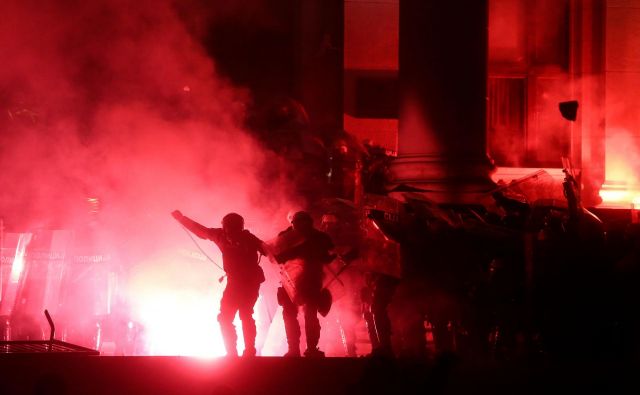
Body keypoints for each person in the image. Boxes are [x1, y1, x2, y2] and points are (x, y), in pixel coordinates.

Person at [171, 210, 266, 357]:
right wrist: (182, 219)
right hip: (237, 281)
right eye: (229, 227)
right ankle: (236, 352)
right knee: (230, 317)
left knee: (242, 314)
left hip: (249, 281)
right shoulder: (222, 235)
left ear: (239, 227)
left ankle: (246, 352)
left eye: (233, 228)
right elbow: (200, 230)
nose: (230, 231)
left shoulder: (245, 238)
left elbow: (268, 250)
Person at [274, 211, 335, 357]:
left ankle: (304, 349)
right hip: (294, 280)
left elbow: (327, 257)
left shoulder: (318, 238)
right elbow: (277, 256)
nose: (301, 226)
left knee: (306, 315)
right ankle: (299, 349)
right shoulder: (289, 237)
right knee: (298, 314)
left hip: (309, 280)